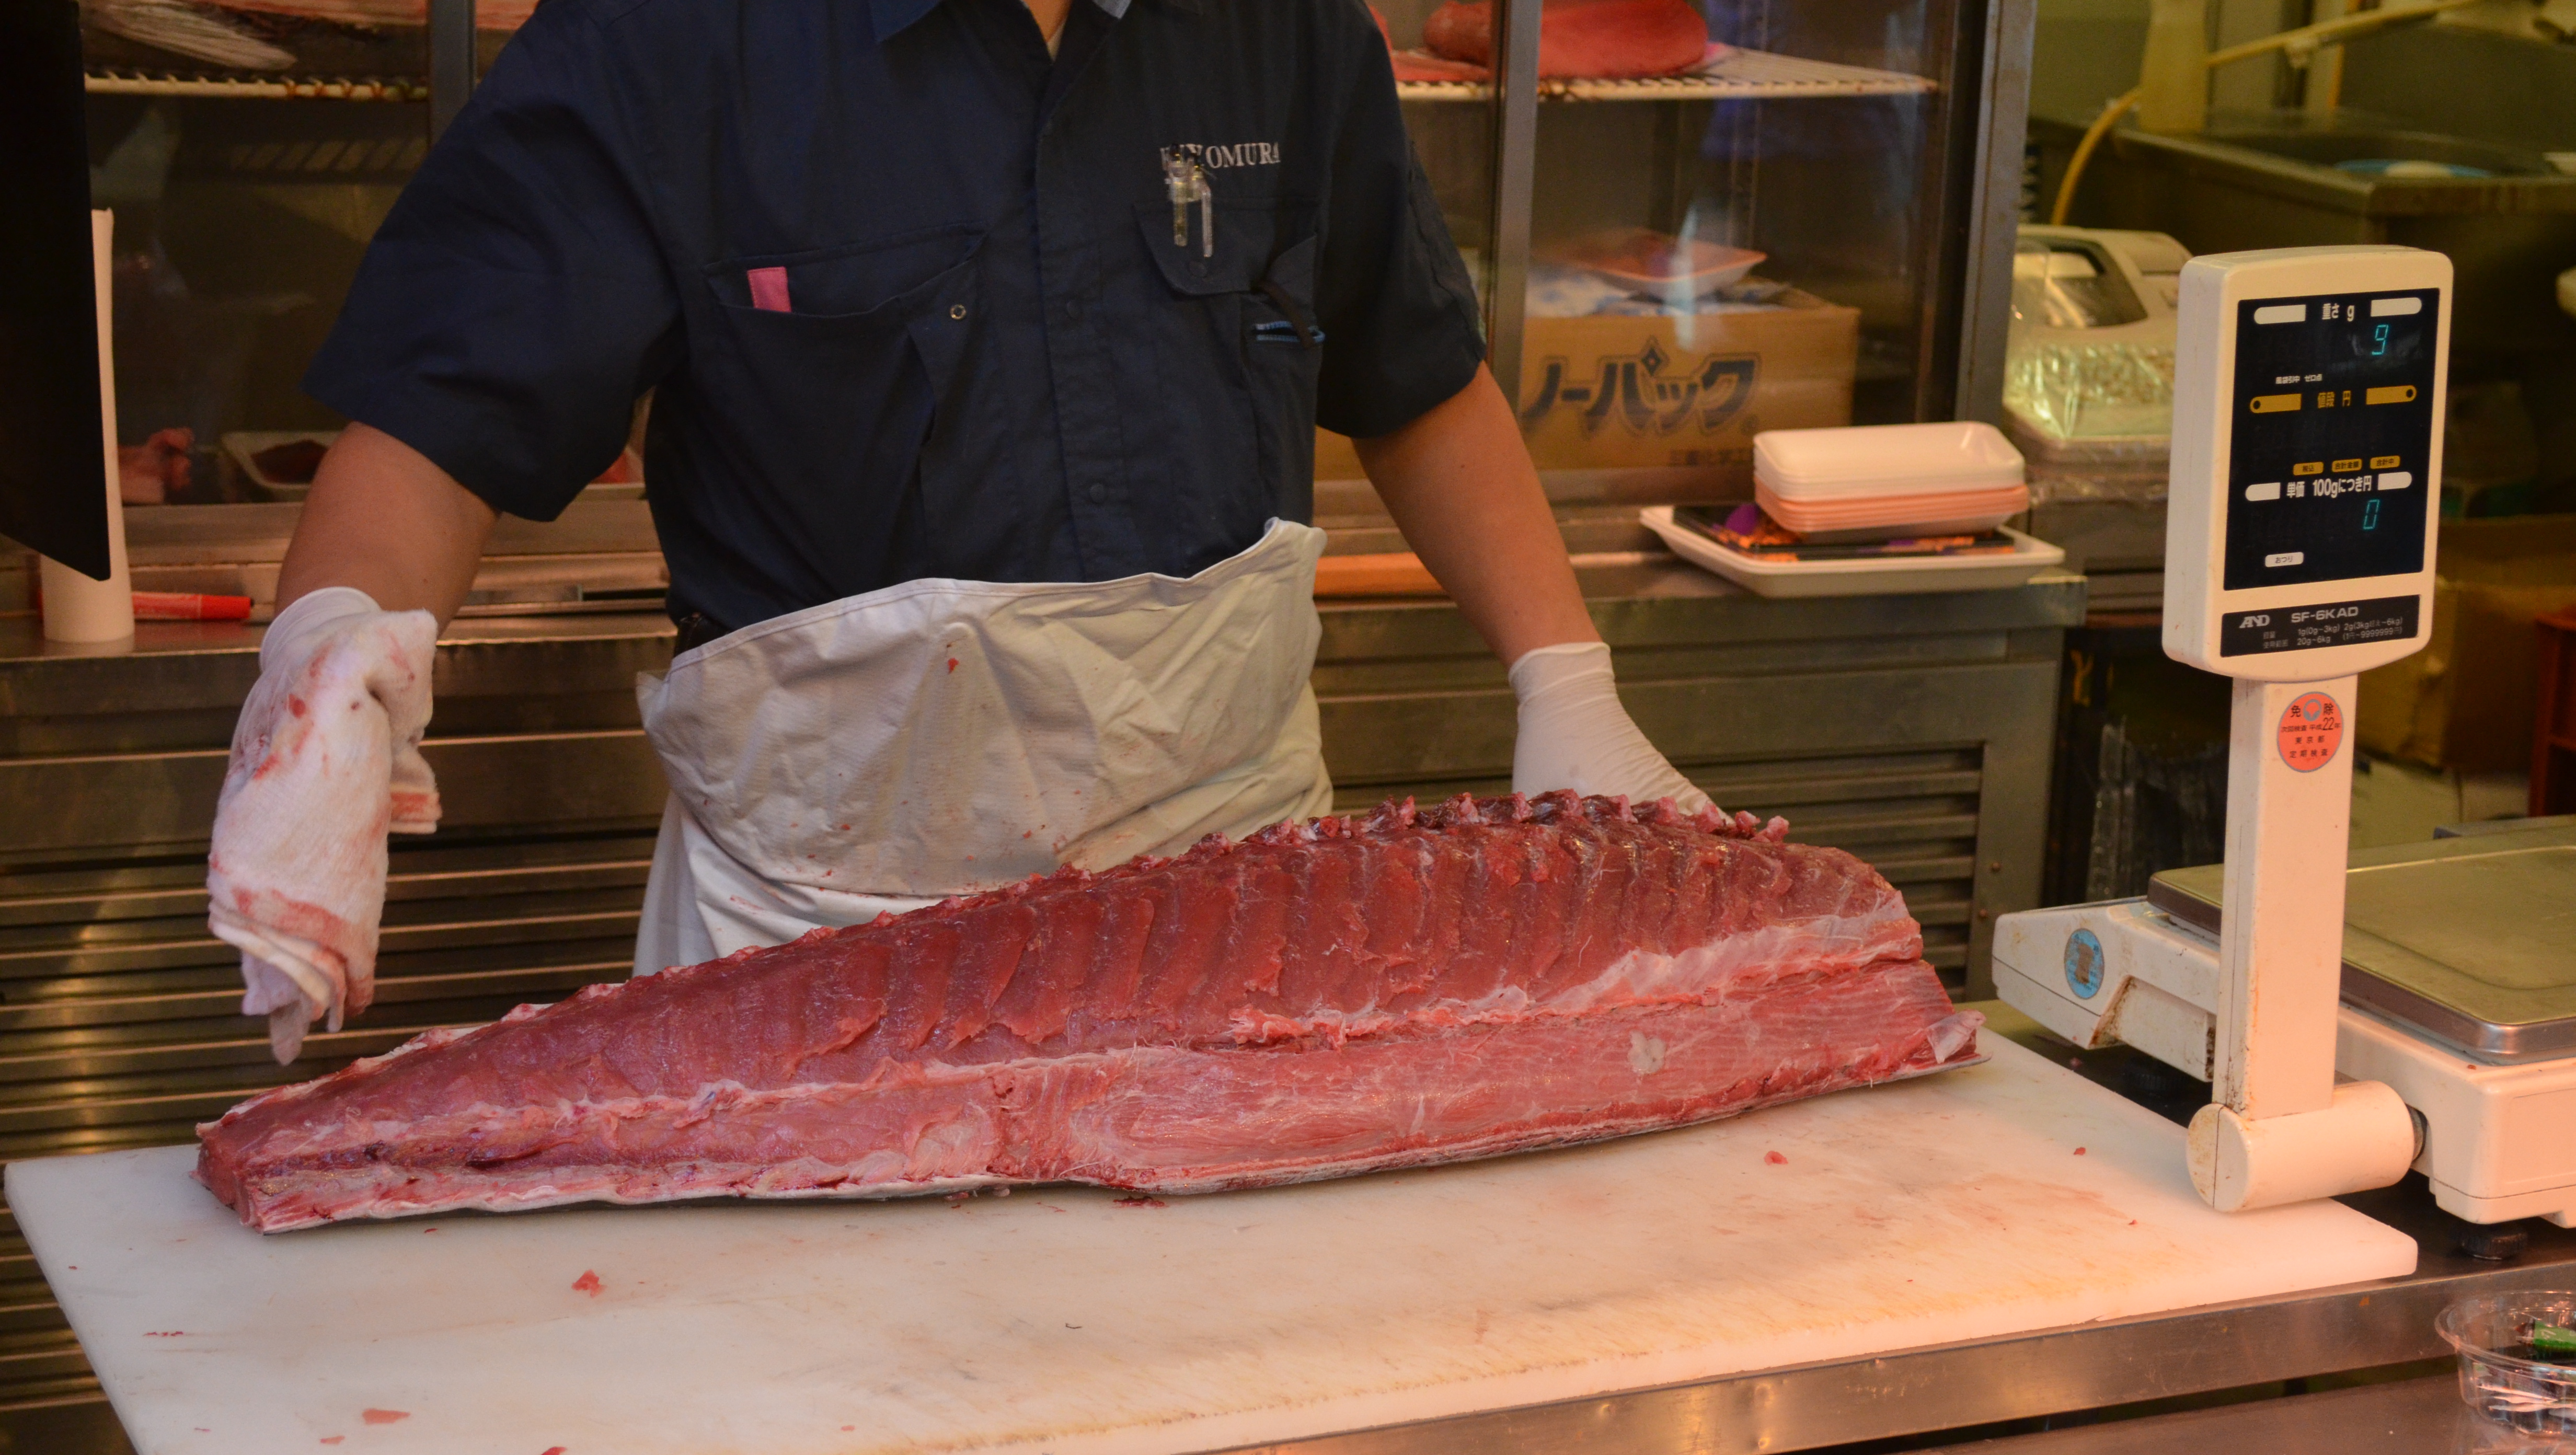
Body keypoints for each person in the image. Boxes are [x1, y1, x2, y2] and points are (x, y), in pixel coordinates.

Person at [206, 0, 1714, 1066]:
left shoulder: (1283, 24)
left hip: (1238, 907)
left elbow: (1418, 381)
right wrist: (329, 670)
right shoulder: (667, 36)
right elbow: (434, 431)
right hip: (824, 942)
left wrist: (1565, 682)